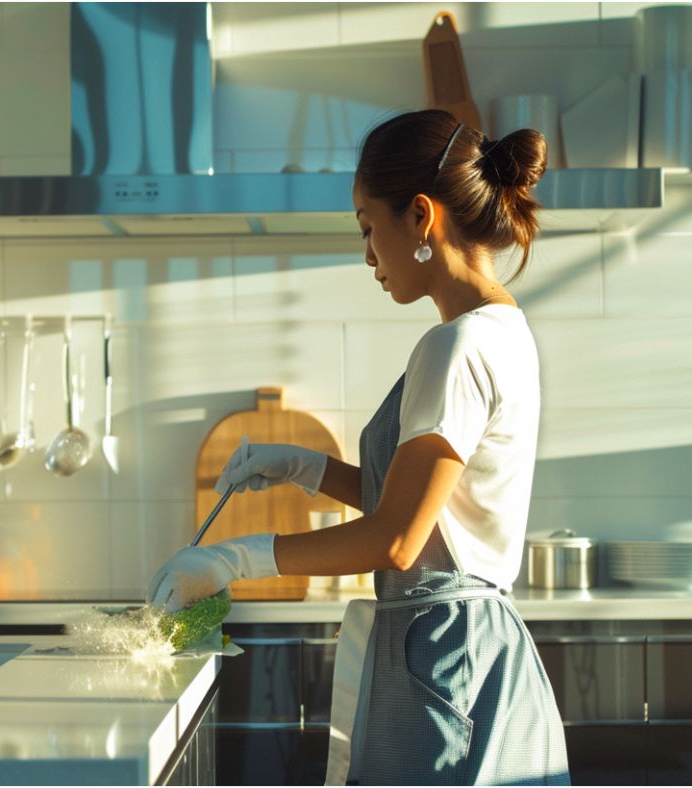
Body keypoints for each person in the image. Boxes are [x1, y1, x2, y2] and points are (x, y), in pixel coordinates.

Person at [147, 108, 570, 785]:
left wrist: (234, 559)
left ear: (422, 218)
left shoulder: (454, 347)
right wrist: (305, 468)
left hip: (443, 665)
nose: (368, 254)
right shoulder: (501, 331)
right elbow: (429, 512)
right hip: (469, 652)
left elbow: (398, 540)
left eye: (369, 227)